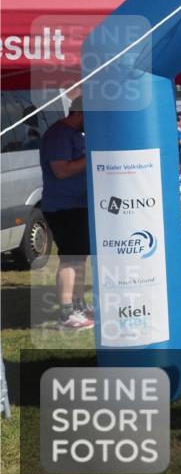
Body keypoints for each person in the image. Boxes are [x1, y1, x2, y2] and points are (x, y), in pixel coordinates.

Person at [40, 97, 92, 330]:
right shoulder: (59, 135)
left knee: (79, 257)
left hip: (76, 205)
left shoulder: (72, 135)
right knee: (70, 258)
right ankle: (66, 312)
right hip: (63, 207)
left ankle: (78, 305)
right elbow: (60, 171)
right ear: (79, 113)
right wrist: (91, 155)